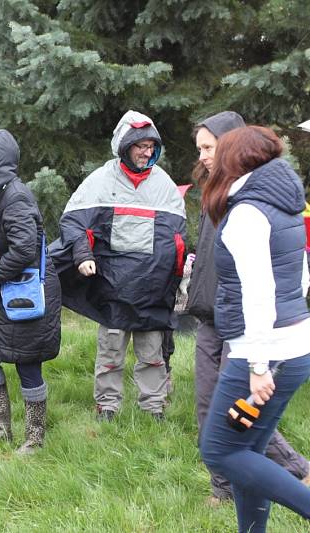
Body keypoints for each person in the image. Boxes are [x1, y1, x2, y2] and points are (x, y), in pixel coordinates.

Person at [186, 112, 310, 504]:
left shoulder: (250, 206)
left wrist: (258, 362)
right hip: (213, 315)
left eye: (210, 147)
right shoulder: (220, 192)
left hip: (250, 331)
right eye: (200, 149)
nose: (205, 156)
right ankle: (224, 488)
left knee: (238, 423)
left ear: (231, 146)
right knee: (212, 408)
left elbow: (261, 288)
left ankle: (299, 472)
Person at [49, 110, 187, 422]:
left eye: (152, 146)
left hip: (153, 289)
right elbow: (73, 223)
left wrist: (176, 281)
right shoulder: (100, 181)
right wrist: (83, 256)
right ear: (124, 145)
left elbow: (177, 241)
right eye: (141, 145)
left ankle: (153, 408)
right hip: (112, 287)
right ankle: (107, 407)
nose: (147, 152)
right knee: (110, 352)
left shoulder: (164, 186)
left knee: (152, 354)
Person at [0, 130, 62, 454]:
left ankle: (34, 440)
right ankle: (0, 427)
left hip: (29, 289)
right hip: (6, 285)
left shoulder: (16, 197)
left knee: (27, 363)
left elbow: (22, 252)